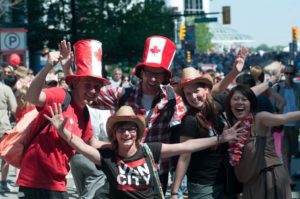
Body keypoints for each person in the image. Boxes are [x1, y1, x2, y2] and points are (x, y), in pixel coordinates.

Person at [44, 105, 245, 199]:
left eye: (131, 129)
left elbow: (186, 146)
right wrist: (63, 132)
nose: (126, 133)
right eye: (121, 129)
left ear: (138, 133)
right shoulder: (108, 158)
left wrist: (221, 138)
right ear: (115, 134)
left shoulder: (150, 150)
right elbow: (82, 147)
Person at [16, 39, 110, 198]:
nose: (93, 91)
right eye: (88, 84)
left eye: (97, 87)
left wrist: (120, 146)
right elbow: (32, 97)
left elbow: (92, 142)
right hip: (36, 181)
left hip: (57, 182)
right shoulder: (60, 96)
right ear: (75, 83)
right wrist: (47, 67)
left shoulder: (85, 113)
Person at [171, 48, 249, 199]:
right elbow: (184, 156)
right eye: (188, 93)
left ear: (206, 90)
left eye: (197, 91)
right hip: (203, 187)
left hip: (226, 181)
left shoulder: (216, 105)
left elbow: (225, 89)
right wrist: (174, 192)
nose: (193, 97)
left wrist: (235, 72)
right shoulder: (189, 120)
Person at [224, 84, 299, 198]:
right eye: (235, 99)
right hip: (249, 182)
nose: (240, 102)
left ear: (251, 103)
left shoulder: (259, 118)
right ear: (230, 103)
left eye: (244, 99)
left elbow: (284, 118)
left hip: (269, 178)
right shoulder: (231, 126)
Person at [0, 66, 17, 193]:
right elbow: (15, 109)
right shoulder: (6, 89)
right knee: (5, 156)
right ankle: (3, 182)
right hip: (3, 127)